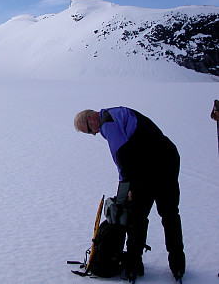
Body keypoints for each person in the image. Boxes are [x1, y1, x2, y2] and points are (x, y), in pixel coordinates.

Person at [74, 107, 185, 281]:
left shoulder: (108, 122)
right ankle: (178, 265)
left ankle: (133, 265)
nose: (93, 134)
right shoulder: (115, 114)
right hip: (168, 157)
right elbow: (127, 156)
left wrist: (126, 190)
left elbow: (122, 157)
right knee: (170, 213)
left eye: (89, 131)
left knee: (137, 217)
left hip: (151, 166)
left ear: (91, 118)